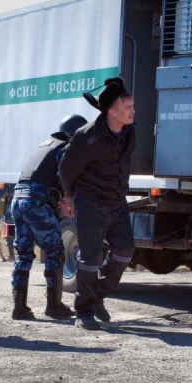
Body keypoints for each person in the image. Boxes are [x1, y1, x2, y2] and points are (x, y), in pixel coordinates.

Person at [59, 77, 136, 330]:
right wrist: (69, 198)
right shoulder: (86, 136)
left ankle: (97, 295)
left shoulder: (129, 131)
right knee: (90, 257)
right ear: (112, 112)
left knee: (124, 252)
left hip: (116, 200)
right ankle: (83, 311)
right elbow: (67, 170)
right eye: (128, 107)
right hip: (90, 200)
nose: (133, 111)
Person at [9, 114, 87, 320]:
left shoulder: (46, 144)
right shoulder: (65, 148)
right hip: (36, 202)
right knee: (55, 251)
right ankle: (54, 305)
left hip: (18, 199)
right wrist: (68, 198)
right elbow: (65, 174)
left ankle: (19, 307)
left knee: (23, 254)